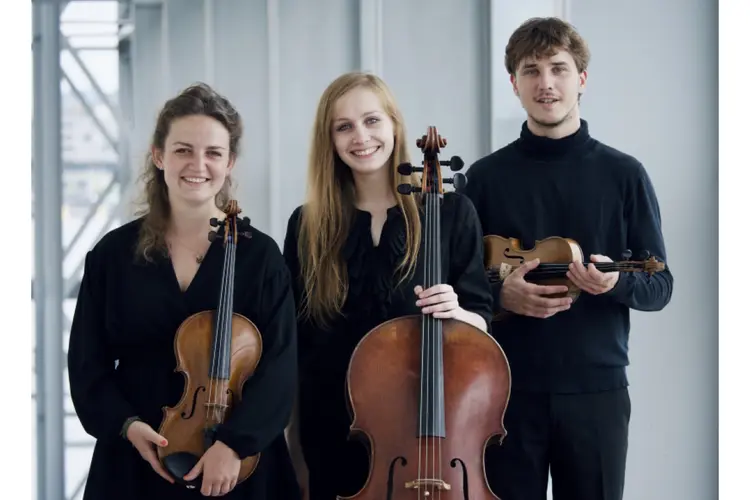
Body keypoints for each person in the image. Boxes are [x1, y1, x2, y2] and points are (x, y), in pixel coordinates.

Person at [460, 17, 674, 500]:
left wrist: (613, 284)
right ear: (514, 84)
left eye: (558, 68)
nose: (546, 83)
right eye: (531, 71)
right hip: (505, 389)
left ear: (581, 78)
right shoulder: (485, 178)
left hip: (596, 391)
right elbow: (458, 283)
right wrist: (501, 294)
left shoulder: (624, 175)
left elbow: (660, 286)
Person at [67, 83, 300, 499]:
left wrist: (234, 444)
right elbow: (88, 368)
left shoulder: (260, 256)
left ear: (229, 163)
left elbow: (281, 369)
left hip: (239, 467)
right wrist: (127, 427)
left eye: (213, 152)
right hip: (135, 463)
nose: (198, 164)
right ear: (159, 156)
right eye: (182, 150)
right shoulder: (113, 254)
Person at [282, 71, 495, 500]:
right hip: (330, 431)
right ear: (330, 140)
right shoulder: (308, 224)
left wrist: (459, 312)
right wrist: (294, 450)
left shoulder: (451, 212)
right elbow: (296, 347)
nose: (360, 136)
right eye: (344, 127)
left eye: (372, 120)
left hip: (423, 431)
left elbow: (482, 321)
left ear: (394, 124)